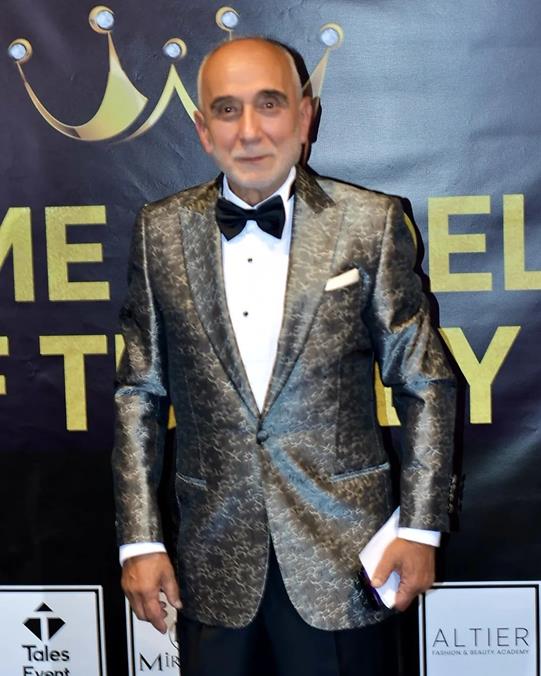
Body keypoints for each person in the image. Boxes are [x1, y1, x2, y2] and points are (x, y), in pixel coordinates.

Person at [112, 37, 456, 676]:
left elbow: (424, 381)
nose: (249, 130)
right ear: (203, 129)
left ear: (305, 117)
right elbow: (139, 394)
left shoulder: (371, 222)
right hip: (211, 560)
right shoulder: (160, 232)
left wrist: (420, 527)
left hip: (347, 561)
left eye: (269, 104)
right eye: (227, 109)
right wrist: (139, 539)